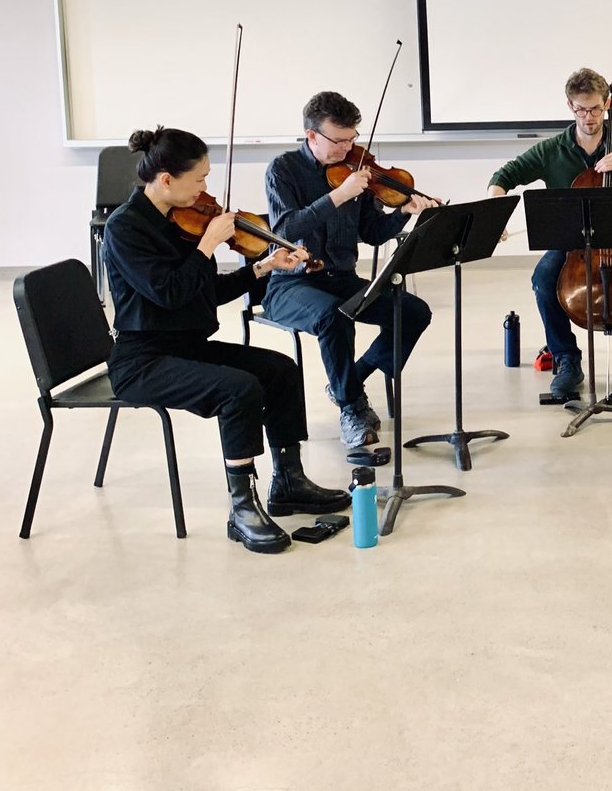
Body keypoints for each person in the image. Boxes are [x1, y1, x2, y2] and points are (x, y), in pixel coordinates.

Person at [102, 126, 350, 555]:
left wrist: (265, 266)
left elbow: (205, 293)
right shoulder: (125, 229)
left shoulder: (175, 220)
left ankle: (288, 483)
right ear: (166, 180)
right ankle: (242, 508)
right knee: (237, 390)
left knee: (281, 370)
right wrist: (208, 245)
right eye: (199, 179)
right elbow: (171, 292)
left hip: (184, 345)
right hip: (142, 361)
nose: (205, 189)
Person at [487, 67, 612, 399]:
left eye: (595, 108)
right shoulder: (553, 149)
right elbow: (505, 175)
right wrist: (495, 213)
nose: (589, 117)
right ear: (569, 106)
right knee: (543, 278)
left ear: (607, 104)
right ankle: (566, 360)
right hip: (572, 245)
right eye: (580, 109)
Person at [263, 91, 435, 456]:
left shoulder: (358, 172)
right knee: (332, 317)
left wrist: (405, 214)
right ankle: (351, 407)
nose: (347, 147)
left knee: (413, 311)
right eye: (337, 140)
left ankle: (350, 380)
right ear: (311, 136)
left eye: (351, 138)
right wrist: (338, 196)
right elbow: (287, 228)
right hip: (290, 283)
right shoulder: (283, 170)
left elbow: (372, 233)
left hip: (341, 278)